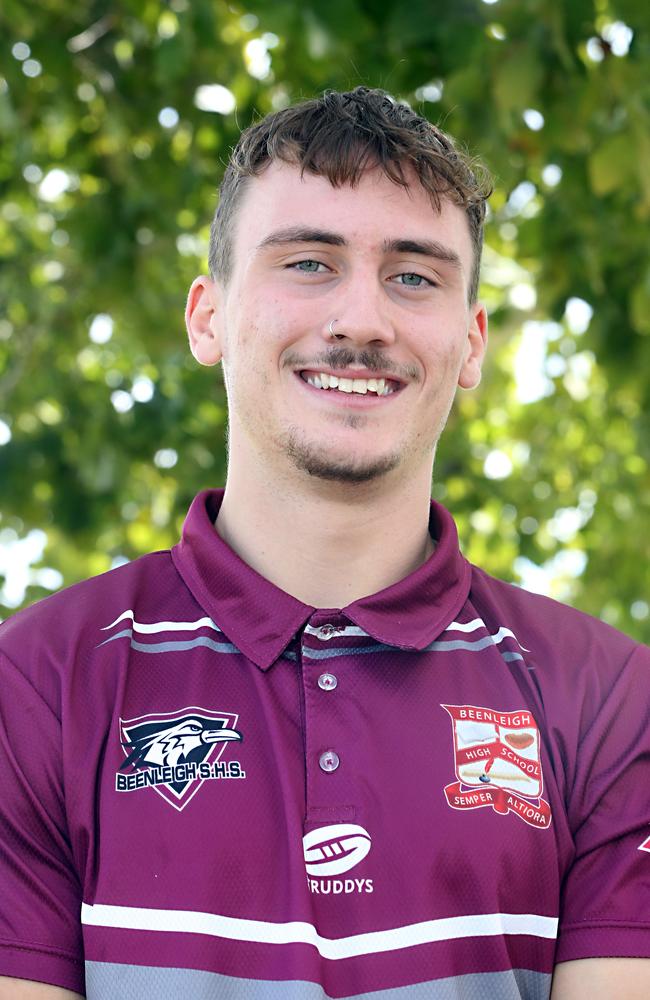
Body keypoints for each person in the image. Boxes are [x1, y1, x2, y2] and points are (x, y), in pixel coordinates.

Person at [0, 86, 648, 1000]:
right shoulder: (35, 685)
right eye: (308, 263)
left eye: (413, 275)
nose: (362, 321)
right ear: (207, 316)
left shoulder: (614, 700)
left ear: (471, 345)